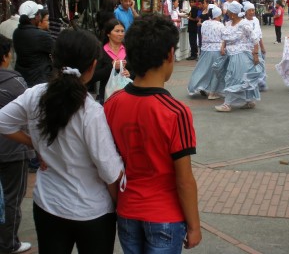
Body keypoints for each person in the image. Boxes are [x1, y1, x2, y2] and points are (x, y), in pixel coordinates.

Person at [0, 29, 124, 254]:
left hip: (48, 206)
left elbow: (3, 123)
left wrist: (34, 144)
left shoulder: (35, 95)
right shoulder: (91, 111)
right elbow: (110, 172)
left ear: (53, 59)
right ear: (93, 66)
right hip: (92, 212)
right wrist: (118, 206)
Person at [104, 15, 202, 253]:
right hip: (164, 215)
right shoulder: (176, 112)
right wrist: (194, 225)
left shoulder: (112, 103)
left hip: (127, 212)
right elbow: (184, 179)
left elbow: (107, 165)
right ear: (170, 54)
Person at [0, 34, 33, 254]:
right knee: (12, 198)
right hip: (12, 150)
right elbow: (31, 117)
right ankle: (8, 243)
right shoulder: (15, 82)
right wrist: (34, 145)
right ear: (6, 56)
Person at [215, 2, 262, 112]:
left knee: (234, 78)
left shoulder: (243, 24)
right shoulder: (229, 24)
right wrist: (223, 47)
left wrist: (255, 54)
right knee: (239, 78)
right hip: (230, 55)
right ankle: (249, 101)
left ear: (233, 14)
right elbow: (225, 38)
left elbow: (255, 39)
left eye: (229, 12)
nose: (226, 13)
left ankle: (228, 104)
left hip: (241, 55)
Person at [13, 0, 54, 88]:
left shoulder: (16, 32)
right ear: (37, 17)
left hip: (22, 77)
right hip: (39, 80)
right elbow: (56, 51)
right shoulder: (41, 35)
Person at [89, 19, 131, 104]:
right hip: (107, 96)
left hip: (127, 95)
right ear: (108, 33)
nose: (120, 34)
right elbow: (93, 76)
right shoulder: (101, 51)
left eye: (122, 31)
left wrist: (130, 74)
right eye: (117, 31)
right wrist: (112, 67)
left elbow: (138, 71)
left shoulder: (129, 50)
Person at [188, 7, 225, 99]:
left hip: (205, 50)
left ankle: (200, 86)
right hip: (217, 50)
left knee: (202, 69)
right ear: (217, 15)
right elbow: (224, 38)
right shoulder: (220, 25)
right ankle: (212, 92)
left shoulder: (204, 23)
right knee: (215, 72)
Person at [242, 2, 268, 91]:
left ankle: (261, 83)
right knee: (249, 67)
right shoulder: (243, 22)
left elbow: (259, 35)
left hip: (257, 48)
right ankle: (250, 83)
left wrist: (263, 47)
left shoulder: (256, 20)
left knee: (260, 65)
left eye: (253, 10)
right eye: (250, 10)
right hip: (247, 48)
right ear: (246, 12)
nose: (252, 12)